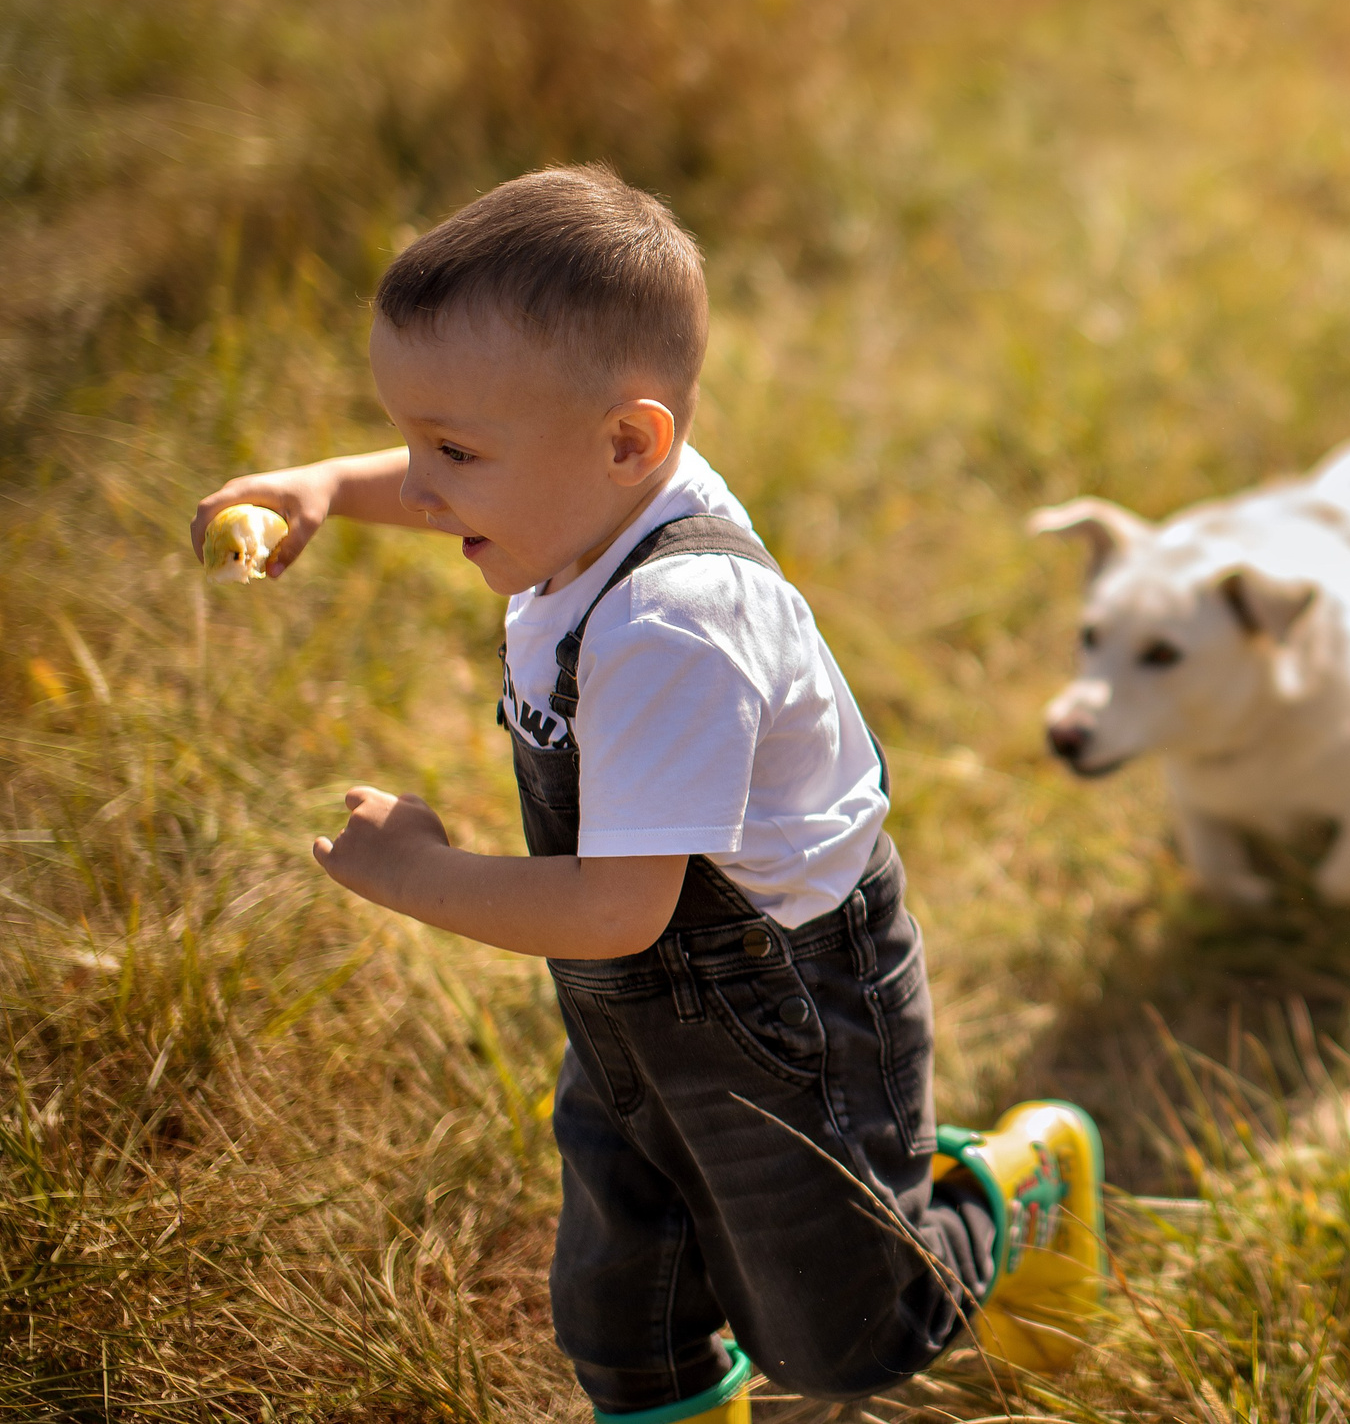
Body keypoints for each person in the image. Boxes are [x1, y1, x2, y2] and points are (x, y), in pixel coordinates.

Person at [192, 165, 1105, 1422]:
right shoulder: (595, 495)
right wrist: (319, 487)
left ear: (630, 443)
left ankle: (1006, 1194)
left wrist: (418, 873)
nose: (421, 481)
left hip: (791, 1010)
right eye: (410, 437)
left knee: (842, 1336)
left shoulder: (672, 626)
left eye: (450, 451)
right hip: (639, 1004)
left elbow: (622, 905)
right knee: (626, 1308)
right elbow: (620, 923)